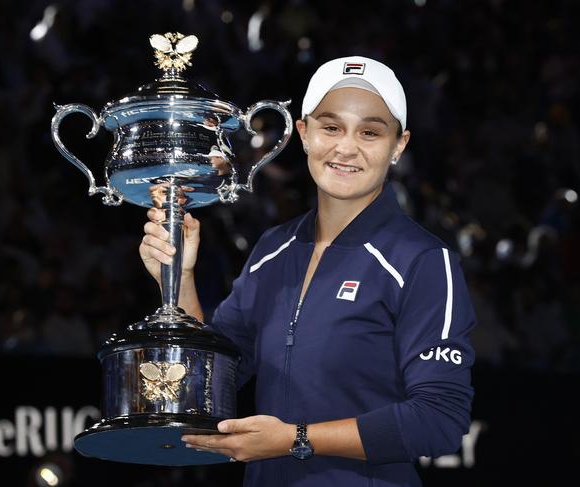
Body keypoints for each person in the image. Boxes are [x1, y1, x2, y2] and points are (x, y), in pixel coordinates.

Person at [139, 56, 475, 487]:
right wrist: (179, 278)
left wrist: (296, 440)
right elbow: (209, 385)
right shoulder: (272, 250)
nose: (346, 147)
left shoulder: (423, 261)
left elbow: (439, 419)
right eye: (331, 127)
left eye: (370, 132)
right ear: (303, 133)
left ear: (399, 146)